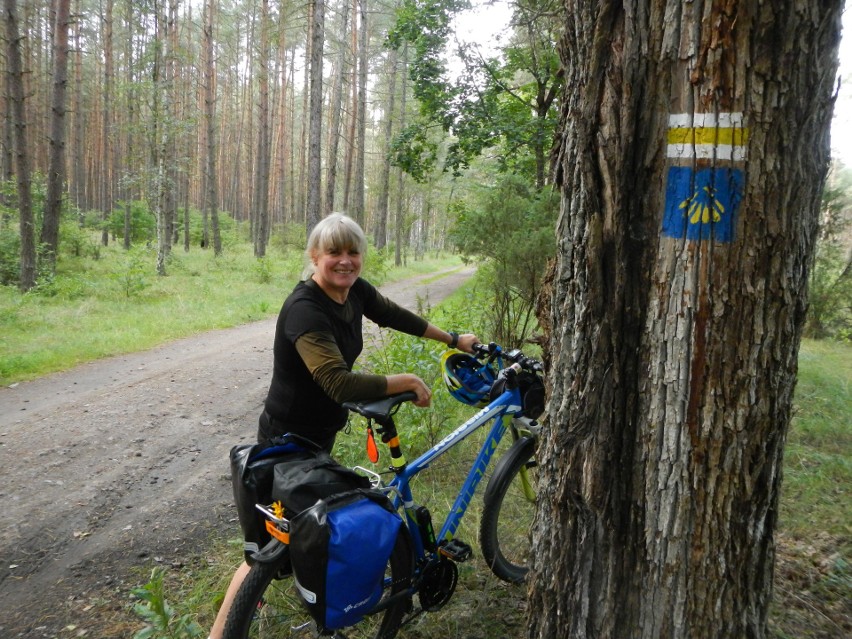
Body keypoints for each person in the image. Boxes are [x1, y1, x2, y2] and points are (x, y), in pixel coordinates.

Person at [209, 213, 478, 638]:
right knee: (268, 547)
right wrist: (403, 381)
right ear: (315, 256)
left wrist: (453, 339)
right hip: (287, 440)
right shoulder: (305, 309)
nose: (345, 261)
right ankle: (223, 631)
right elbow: (335, 381)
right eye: (334, 252)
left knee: (313, 532)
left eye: (353, 252)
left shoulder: (354, 293)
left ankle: (324, 604)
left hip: (320, 437)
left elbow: (394, 315)